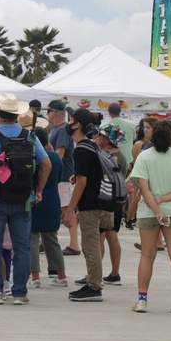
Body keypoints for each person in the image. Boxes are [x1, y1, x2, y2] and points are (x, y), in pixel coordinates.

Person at [0, 93, 51, 305]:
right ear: (17, 114)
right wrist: (39, 190)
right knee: (22, 246)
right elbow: (47, 165)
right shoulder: (30, 137)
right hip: (23, 199)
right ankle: (19, 293)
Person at [129, 119, 171, 314]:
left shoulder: (143, 158)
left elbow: (144, 189)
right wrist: (164, 200)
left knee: (147, 255)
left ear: (152, 135)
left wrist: (158, 211)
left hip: (149, 213)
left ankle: (142, 300)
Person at [62, 108, 108, 302]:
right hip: (99, 201)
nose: (68, 122)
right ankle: (93, 282)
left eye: (70, 119)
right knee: (92, 244)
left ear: (77, 125)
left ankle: (94, 287)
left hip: (90, 204)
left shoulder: (81, 148)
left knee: (90, 246)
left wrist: (70, 209)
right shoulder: (91, 145)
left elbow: (83, 183)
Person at [27, 126, 68, 288]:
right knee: (52, 240)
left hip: (34, 199)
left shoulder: (32, 157)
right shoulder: (55, 157)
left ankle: (35, 277)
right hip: (52, 201)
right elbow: (58, 178)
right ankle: (61, 275)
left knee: (32, 239)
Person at [94, 124, 128, 286]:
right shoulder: (121, 156)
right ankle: (115, 273)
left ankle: (95, 275)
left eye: (99, 135)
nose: (95, 138)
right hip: (118, 200)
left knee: (99, 236)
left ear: (107, 140)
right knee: (112, 234)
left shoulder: (102, 155)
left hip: (104, 199)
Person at [46, 99, 80, 257]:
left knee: (67, 209)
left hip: (64, 175)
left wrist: (48, 170)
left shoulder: (62, 130)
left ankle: (74, 244)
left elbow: (59, 153)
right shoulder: (55, 129)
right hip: (59, 175)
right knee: (59, 209)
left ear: (54, 112)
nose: (47, 114)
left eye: (48, 111)